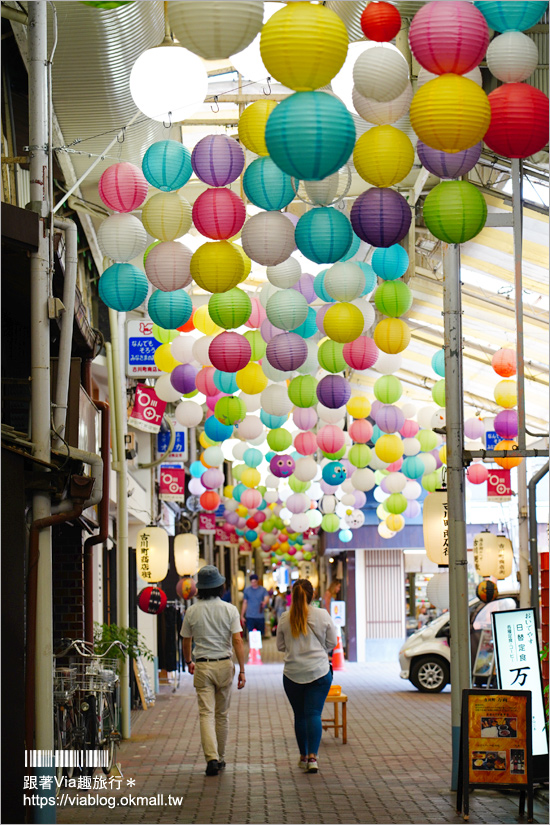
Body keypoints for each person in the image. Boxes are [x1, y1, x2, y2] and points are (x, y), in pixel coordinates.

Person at [181, 565, 246, 777]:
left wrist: (188, 660)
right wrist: (242, 669)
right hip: (225, 664)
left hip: (202, 665)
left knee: (206, 713)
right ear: (220, 587)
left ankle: (211, 759)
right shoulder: (230, 610)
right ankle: (221, 756)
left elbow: (186, 640)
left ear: (200, 588)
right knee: (222, 714)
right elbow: (237, 639)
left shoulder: (192, 610)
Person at [276, 579, 338, 774]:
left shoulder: (285, 618)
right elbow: (332, 642)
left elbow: (280, 646)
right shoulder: (322, 614)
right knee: (314, 714)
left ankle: (303, 756)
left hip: (292, 674)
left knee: (300, 715)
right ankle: (313, 757)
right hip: (319, 672)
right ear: (312, 595)